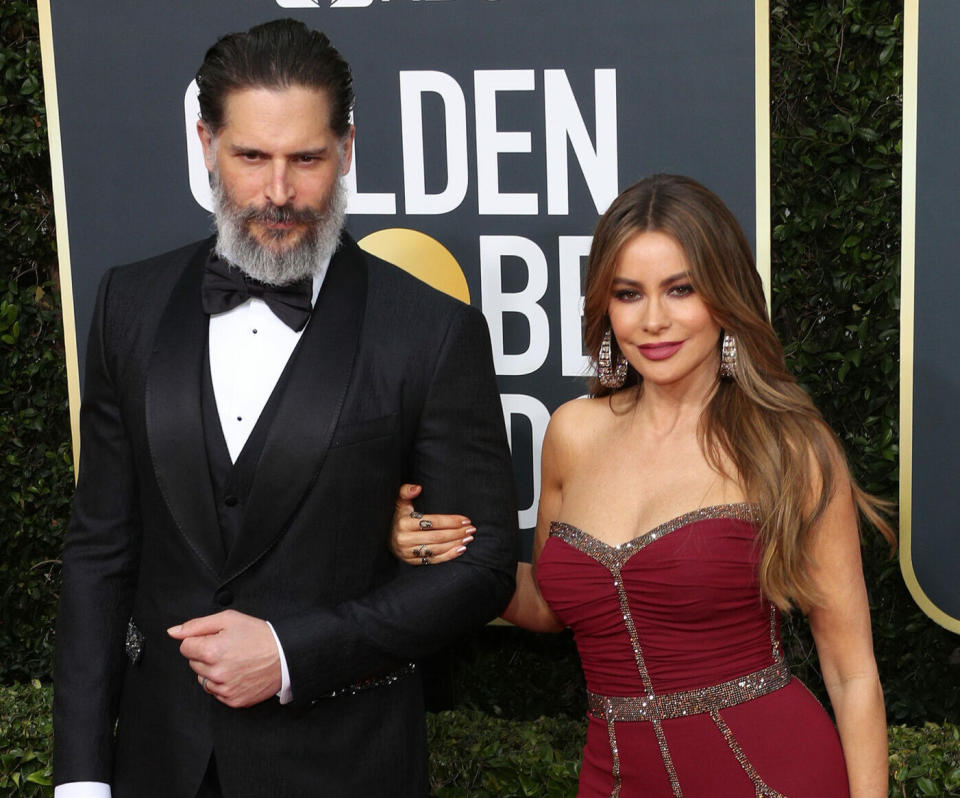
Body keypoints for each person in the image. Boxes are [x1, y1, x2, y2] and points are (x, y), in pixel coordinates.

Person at [52, 19, 517, 798]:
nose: (278, 192)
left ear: (348, 149)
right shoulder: (128, 304)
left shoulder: (430, 331)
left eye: (306, 159)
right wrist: (80, 778)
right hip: (158, 767)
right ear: (206, 145)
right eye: (251, 157)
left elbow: (483, 567)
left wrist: (295, 652)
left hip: (347, 765)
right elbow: (100, 551)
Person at [392, 174, 894, 797]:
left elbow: (851, 674)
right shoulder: (572, 432)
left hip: (770, 773)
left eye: (680, 289)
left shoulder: (789, 446)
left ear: (725, 295)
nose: (654, 320)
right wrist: (432, 545)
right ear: (606, 305)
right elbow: (548, 606)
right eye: (629, 294)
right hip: (615, 779)